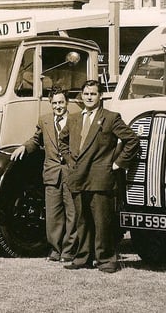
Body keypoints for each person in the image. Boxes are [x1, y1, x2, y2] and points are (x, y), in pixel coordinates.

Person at [60, 80, 139, 273]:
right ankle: (83, 257)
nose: (89, 97)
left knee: (102, 222)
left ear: (101, 96)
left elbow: (132, 141)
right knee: (82, 221)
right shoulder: (74, 118)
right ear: (81, 95)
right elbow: (62, 141)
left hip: (100, 178)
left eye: (93, 94)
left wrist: (118, 163)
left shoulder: (110, 118)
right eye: (86, 93)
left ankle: (106, 260)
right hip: (78, 177)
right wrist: (70, 160)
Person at [10, 86, 77, 263]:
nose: (58, 106)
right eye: (54, 103)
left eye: (61, 102)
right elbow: (36, 140)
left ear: (67, 102)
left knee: (73, 213)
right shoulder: (44, 120)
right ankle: (55, 250)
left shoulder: (76, 120)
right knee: (53, 215)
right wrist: (23, 147)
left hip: (71, 174)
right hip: (52, 174)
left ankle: (69, 250)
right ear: (50, 104)